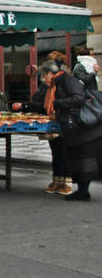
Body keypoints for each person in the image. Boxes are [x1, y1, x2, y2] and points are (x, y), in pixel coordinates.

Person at [36, 59, 101, 201]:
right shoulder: (57, 83)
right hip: (76, 128)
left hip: (82, 128)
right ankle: (82, 191)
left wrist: (57, 103)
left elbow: (79, 98)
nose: (43, 79)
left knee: (83, 159)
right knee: (79, 159)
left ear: (49, 73)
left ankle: (83, 192)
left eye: (44, 75)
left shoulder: (67, 80)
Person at [12, 68, 72, 195]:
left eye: (47, 74)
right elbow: (40, 104)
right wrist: (25, 106)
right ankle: (57, 181)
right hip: (53, 123)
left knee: (63, 151)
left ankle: (66, 182)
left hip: (63, 122)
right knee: (56, 151)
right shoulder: (47, 88)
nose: (44, 77)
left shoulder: (63, 87)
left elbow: (64, 103)